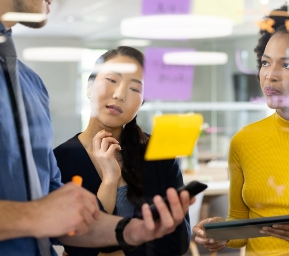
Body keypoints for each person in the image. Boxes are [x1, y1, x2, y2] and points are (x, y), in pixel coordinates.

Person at [0, 0, 193, 255]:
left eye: (135, 87)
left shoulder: (31, 87)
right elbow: (46, 215)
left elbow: (63, 218)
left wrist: (132, 230)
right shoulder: (66, 147)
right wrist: (35, 217)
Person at [193, 2, 289, 256]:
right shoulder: (244, 140)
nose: (270, 75)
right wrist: (222, 233)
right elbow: (241, 227)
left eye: (287, 65)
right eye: (265, 63)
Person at [54, 46, 191, 256]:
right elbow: (79, 246)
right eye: (111, 80)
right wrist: (110, 180)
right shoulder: (60, 160)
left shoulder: (158, 152)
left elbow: (179, 240)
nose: (119, 95)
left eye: (135, 89)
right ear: (89, 86)